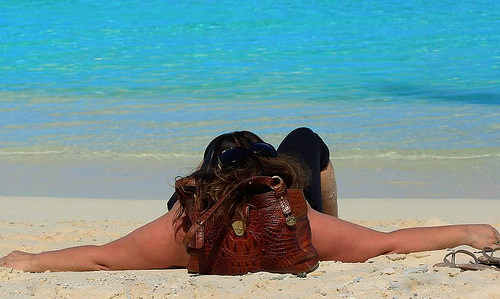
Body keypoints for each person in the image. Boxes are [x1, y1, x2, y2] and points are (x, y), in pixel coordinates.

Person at [1, 127, 499, 272]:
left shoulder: (181, 228)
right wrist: (466, 231)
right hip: (292, 227)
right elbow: (388, 245)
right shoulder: (293, 214)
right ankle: (317, 196)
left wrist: (32, 260)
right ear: (268, 176)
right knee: (306, 138)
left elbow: (101, 258)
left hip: (211, 225)